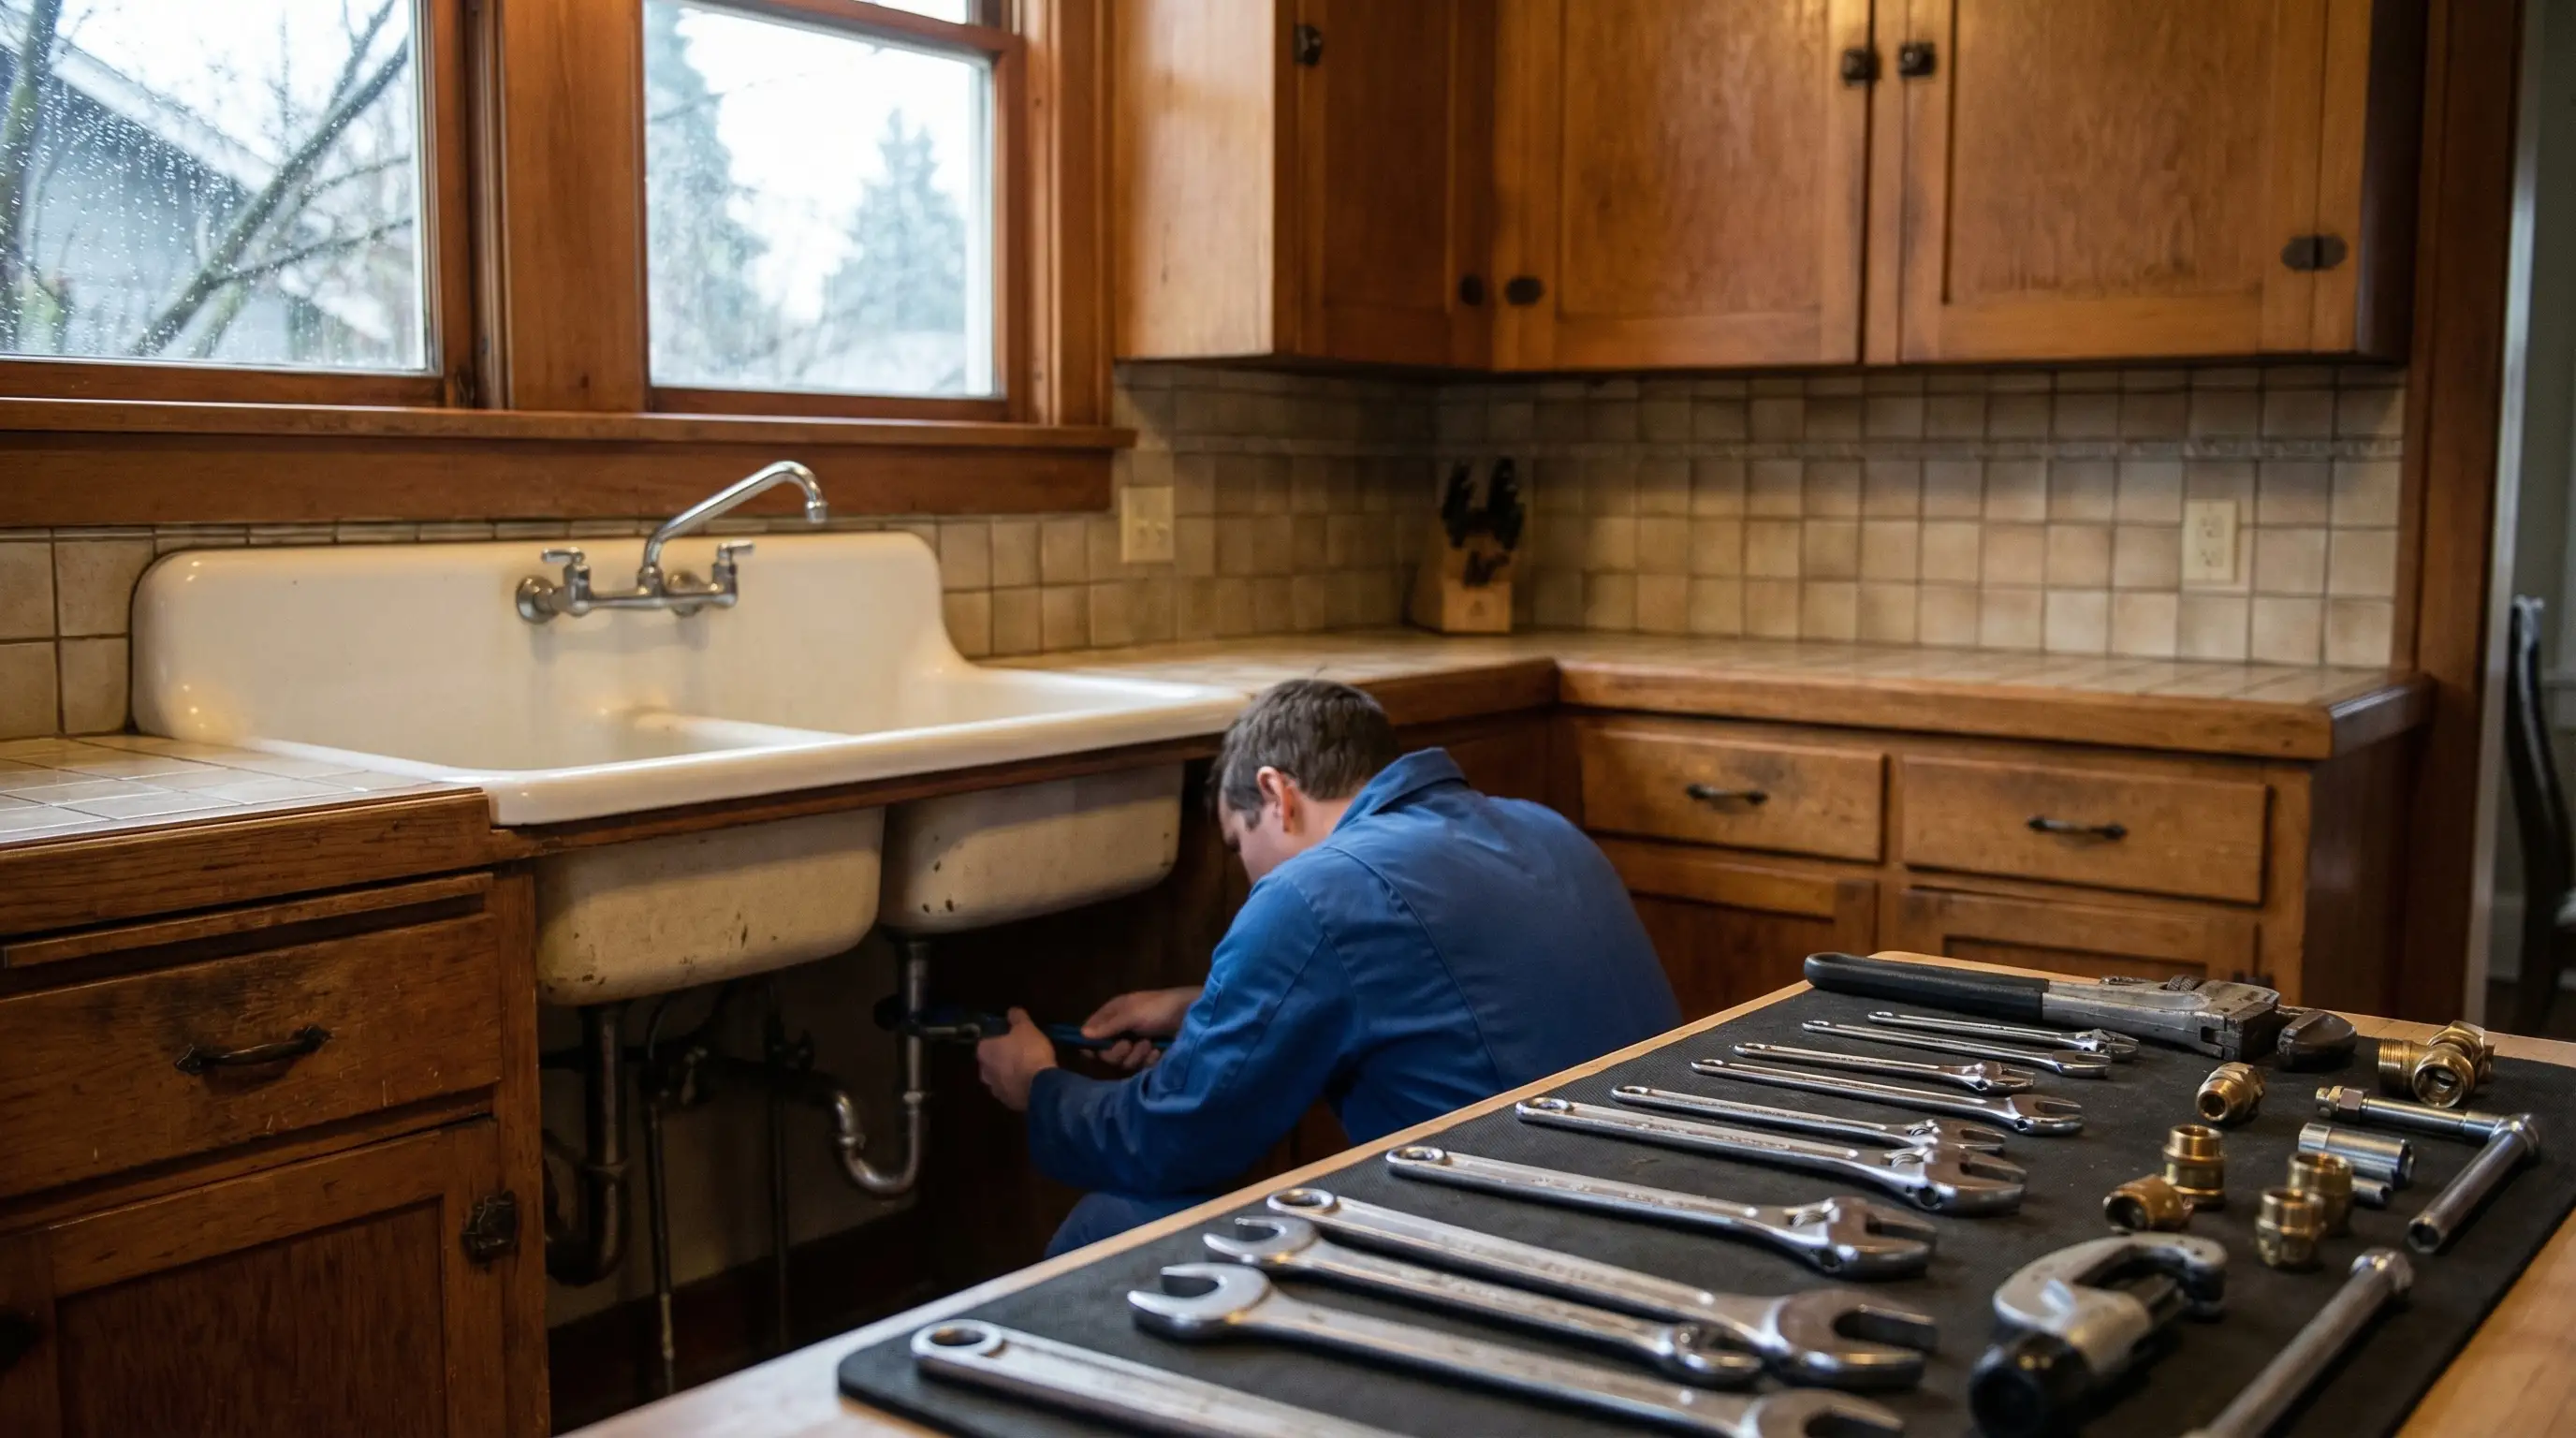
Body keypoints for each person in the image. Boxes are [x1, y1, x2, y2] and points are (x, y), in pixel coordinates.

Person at [973, 678, 1680, 1256]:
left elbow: (1175, 1141)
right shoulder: (1542, 827)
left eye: (1237, 843)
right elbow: (1440, 996)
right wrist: (1203, 1007)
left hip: (1530, 1248)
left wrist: (1039, 1087)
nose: (1247, 871)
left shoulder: (1314, 890)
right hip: (1665, 1205)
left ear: (1276, 795)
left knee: (1116, 1224)